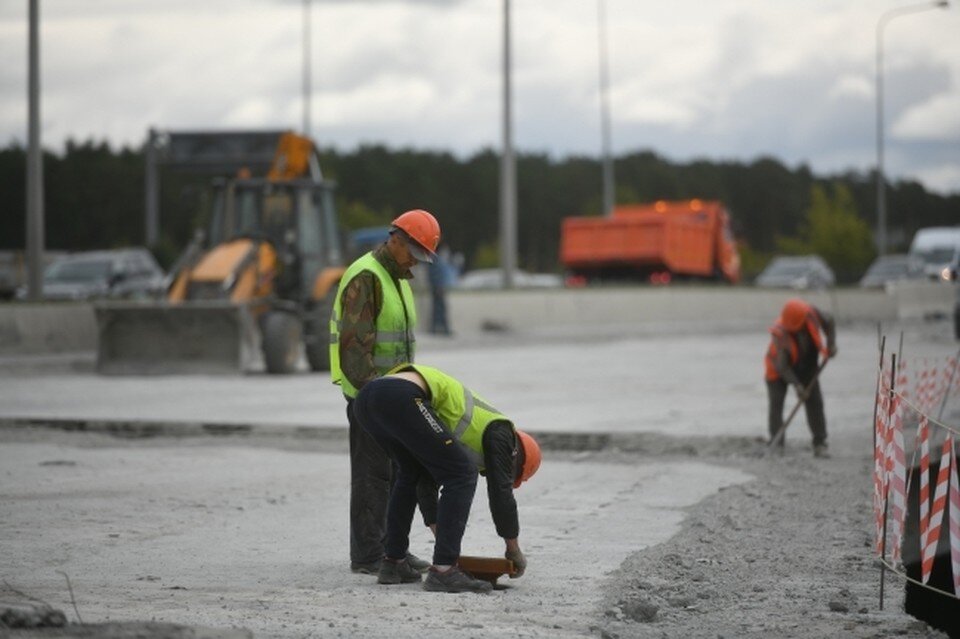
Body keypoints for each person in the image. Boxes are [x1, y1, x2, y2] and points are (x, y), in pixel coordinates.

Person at [353, 363, 541, 593]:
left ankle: (393, 563)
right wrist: (513, 549)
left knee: (411, 473)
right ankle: (444, 572)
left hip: (368, 399)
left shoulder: (471, 435)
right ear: (517, 457)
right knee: (462, 475)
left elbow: (426, 484)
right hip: (401, 395)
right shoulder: (501, 432)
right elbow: (501, 494)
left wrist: (442, 537)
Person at [329, 209, 441, 575]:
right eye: (414, 251)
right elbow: (354, 350)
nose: (417, 261)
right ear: (396, 239)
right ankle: (367, 555)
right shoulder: (367, 276)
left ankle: (394, 550)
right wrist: (374, 401)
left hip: (393, 398)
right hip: (371, 399)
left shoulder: (397, 278)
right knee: (372, 476)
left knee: (397, 475)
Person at [764, 297, 838, 457]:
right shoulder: (781, 335)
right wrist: (798, 386)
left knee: (815, 402)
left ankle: (820, 443)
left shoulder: (811, 313)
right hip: (778, 370)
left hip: (807, 364)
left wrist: (831, 344)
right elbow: (782, 367)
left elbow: (830, 320)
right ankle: (777, 445)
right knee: (776, 405)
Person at [428, 246, 452, 335]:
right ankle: (441, 329)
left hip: (438, 286)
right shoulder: (435, 260)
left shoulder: (435, 259)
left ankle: (437, 328)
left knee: (439, 308)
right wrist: (438, 286)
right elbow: (435, 275)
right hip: (438, 287)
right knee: (439, 308)